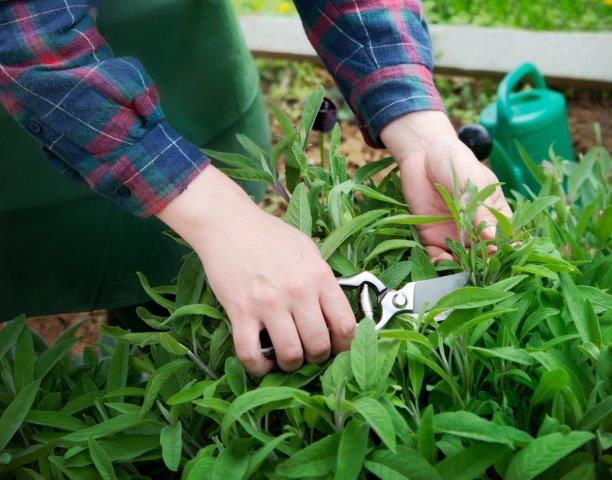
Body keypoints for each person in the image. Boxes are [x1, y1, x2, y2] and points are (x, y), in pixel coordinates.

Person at [0, 0, 511, 376]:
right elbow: (31, 43)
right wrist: (222, 218)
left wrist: (420, 132)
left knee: (167, 300)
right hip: (20, 145)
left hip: (182, 66)